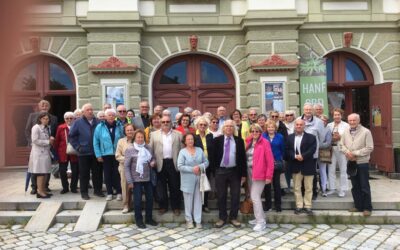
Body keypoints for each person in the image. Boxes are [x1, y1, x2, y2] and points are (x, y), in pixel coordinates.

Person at [212, 120, 247, 228]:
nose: (229, 128)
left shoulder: (239, 141)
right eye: (226, 126)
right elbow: (212, 157)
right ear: (223, 128)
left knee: (235, 195)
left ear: (234, 129)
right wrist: (215, 171)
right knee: (221, 195)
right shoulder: (217, 140)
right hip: (220, 171)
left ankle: (233, 217)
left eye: (231, 126)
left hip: (234, 171)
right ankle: (222, 218)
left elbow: (242, 158)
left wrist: (244, 174)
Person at [340, 113, 374, 217]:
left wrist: (355, 153)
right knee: (355, 186)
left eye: (354, 120)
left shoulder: (366, 132)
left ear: (358, 121)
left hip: (362, 162)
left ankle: (367, 208)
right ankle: (358, 206)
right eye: (350, 120)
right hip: (351, 162)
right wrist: (347, 153)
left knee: (364, 185)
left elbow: (370, 148)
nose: (352, 122)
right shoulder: (346, 131)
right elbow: (341, 144)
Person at [149, 115, 183, 215]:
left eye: (167, 121)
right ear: (160, 123)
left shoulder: (178, 134)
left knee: (175, 186)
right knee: (161, 186)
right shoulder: (154, 134)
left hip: (173, 163)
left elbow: (181, 150)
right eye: (163, 122)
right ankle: (163, 206)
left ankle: (176, 207)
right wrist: (152, 160)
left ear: (171, 123)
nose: (165, 123)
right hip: (160, 163)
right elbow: (151, 150)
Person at [69, 103, 104, 200]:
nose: (90, 111)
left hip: (96, 152)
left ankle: (98, 190)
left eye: (91, 109)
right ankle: (84, 192)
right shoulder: (77, 122)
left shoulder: (98, 122)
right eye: (88, 110)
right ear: (83, 112)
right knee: (84, 174)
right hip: (83, 152)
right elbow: (71, 136)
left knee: (97, 173)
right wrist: (78, 147)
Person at [125, 130, 158, 228]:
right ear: (134, 138)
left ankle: (149, 218)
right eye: (138, 137)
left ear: (144, 138)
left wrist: (153, 162)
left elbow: (153, 159)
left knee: (150, 199)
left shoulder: (148, 148)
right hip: (136, 179)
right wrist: (129, 181)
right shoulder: (130, 149)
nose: (140, 139)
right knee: (138, 200)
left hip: (148, 178)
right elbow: (126, 166)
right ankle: (138, 220)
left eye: (142, 137)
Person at [25, 100, 58, 194]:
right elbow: (27, 130)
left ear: (49, 107)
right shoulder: (32, 116)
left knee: (46, 168)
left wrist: (52, 139)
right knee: (35, 168)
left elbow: (54, 131)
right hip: (35, 147)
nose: (44, 106)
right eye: (42, 105)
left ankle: (44, 187)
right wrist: (31, 142)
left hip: (48, 147)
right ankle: (34, 187)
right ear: (39, 106)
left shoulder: (54, 118)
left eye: (46, 105)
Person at [246, 124, 274, 231]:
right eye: (252, 131)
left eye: (257, 131)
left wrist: (269, 176)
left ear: (260, 132)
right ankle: (260, 217)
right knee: (254, 197)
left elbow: (270, 160)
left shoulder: (265, 143)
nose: (254, 133)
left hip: (260, 174)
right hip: (249, 172)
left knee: (255, 197)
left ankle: (261, 222)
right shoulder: (249, 142)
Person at [286, 119, 317, 215]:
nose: (299, 126)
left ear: (304, 126)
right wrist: (295, 156)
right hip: (295, 165)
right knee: (296, 187)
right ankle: (299, 206)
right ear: (295, 126)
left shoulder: (311, 137)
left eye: (301, 125)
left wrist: (303, 156)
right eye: (297, 125)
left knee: (308, 187)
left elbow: (312, 149)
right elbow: (287, 149)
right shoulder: (289, 137)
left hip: (308, 164)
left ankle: (308, 206)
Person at [178, 133, 209, 229]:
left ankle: (198, 221)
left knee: (198, 200)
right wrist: (192, 169)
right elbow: (180, 166)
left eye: (192, 139)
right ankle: (189, 220)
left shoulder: (199, 150)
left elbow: (206, 162)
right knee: (188, 201)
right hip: (187, 180)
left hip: (199, 179)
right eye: (188, 139)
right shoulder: (182, 152)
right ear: (185, 141)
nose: (190, 141)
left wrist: (199, 167)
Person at [93, 108, 124, 201]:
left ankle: (119, 192)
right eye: (109, 115)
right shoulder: (99, 127)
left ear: (115, 116)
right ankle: (109, 192)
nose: (111, 116)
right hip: (105, 154)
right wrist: (98, 155)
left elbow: (123, 139)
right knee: (107, 174)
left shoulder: (119, 126)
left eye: (112, 115)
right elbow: (95, 142)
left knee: (117, 173)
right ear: (105, 117)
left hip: (117, 154)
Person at [300, 103, 325, 200]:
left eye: (310, 109)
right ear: (303, 110)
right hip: (300, 152)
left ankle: (313, 192)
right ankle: (303, 192)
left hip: (312, 152)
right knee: (301, 173)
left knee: (312, 173)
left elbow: (321, 137)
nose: (308, 111)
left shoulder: (318, 122)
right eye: (306, 109)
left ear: (312, 111)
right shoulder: (299, 120)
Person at [28, 112, 55, 199]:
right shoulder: (36, 127)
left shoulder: (47, 128)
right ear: (40, 119)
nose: (46, 120)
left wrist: (50, 141)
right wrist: (48, 142)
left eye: (47, 119)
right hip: (38, 154)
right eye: (44, 118)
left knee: (45, 172)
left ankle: (43, 190)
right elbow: (35, 140)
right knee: (40, 173)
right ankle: (39, 192)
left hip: (45, 153)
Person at [262, 120, 285, 212]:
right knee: (267, 186)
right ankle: (268, 205)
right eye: (269, 127)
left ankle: (278, 205)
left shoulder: (280, 137)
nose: (270, 128)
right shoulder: (263, 136)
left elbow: (282, 149)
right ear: (266, 128)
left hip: (276, 163)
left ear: (275, 128)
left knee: (276, 185)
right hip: (266, 164)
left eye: (272, 127)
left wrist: (278, 158)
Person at [327, 108, 350, 197]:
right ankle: (332, 188)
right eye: (335, 115)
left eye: (338, 115)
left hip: (342, 149)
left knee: (343, 169)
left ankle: (342, 189)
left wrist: (340, 137)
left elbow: (348, 138)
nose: (336, 116)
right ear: (332, 116)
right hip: (331, 148)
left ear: (341, 115)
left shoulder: (346, 125)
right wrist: (331, 138)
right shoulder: (329, 125)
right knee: (331, 169)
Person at [54, 112, 79, 194]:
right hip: (62, 152)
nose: (69, 120)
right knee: (62, 171)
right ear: (64, 119)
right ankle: (65, 187)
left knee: (75, 171)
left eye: (71, 118)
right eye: (67, 118)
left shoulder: (77, 127)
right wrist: (56, 153)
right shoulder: (61, 127)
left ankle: (73, 187)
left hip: (74, 151)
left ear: (74, 119)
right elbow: (57, 140)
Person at [193, 116, 214, 213]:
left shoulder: (210, 135)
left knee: (205, 185)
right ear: (197, 125)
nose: (202, 126)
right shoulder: (193, 136)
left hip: (207, 165)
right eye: (200, 124)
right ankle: (197, 205)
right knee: (197, 186)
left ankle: (204, 205)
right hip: (196, 165)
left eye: (205, 125)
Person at [116, 124, 136, 213]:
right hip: (124, 166)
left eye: (131, 130)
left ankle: (136, 204)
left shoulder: (138, 139)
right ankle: (126, 204)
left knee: (136, 186)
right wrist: (128, 160)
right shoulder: (121, 141)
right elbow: (117, 155)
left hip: (136, 167)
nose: (129, 132)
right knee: (125, 186)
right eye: (128, 130)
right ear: (125, 131)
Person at [318, 115, 332, 197]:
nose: (323, 122)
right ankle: (314, 188)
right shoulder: (315, 129)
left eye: (325, 120)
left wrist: (317, 145)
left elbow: (328, 142)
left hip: (323, 152)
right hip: (313, 152)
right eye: (321, 120)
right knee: (312, 170)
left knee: (323, 171)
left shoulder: (328, 130)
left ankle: (323, 189)